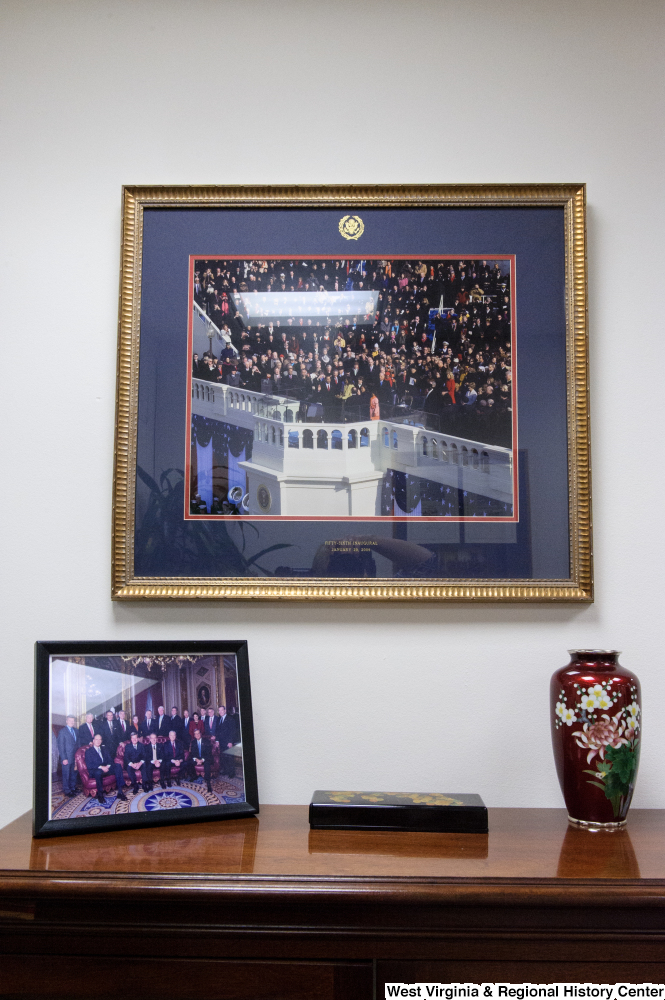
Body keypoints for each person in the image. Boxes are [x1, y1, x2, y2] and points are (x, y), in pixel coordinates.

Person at [84, 734, 127, 804]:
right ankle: (100, 795)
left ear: (101, 741)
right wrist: (101, 767)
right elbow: (89, 765)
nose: (98, 741)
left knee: (118, 766)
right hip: (96, 769)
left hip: (106, 768)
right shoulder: (89, 751)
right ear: (93, 741)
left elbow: (110, 760)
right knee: (98, 773)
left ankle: (120, 792)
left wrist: (108, 766)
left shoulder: (104, 749)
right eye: (96, 739)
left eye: (100, 739)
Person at [182, 728, 213, 792]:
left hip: (205, 758)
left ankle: (208, 783)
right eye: (195, 734)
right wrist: (196, 760)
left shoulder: (206, 741)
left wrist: (202, 760)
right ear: (194, 735)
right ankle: (194, 776)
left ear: (200, 734)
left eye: (198, 733)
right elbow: (192, 753)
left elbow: (209, 753)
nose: (197, 735)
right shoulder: (193, 742)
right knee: (188, 762)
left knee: (207, 764)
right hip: (197, 759)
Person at [56, 716, 78, 797]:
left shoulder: (76, 730)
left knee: (73, 773)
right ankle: (67, 790)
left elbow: (77, 743)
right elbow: (61, 746)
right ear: (66, 721)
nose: (72, 722)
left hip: (75, 757)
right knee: (66, 774)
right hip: (67, 757)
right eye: (70, 721)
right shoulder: (62, 732)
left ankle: (72, 788)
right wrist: (64, 758)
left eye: (73, 721)